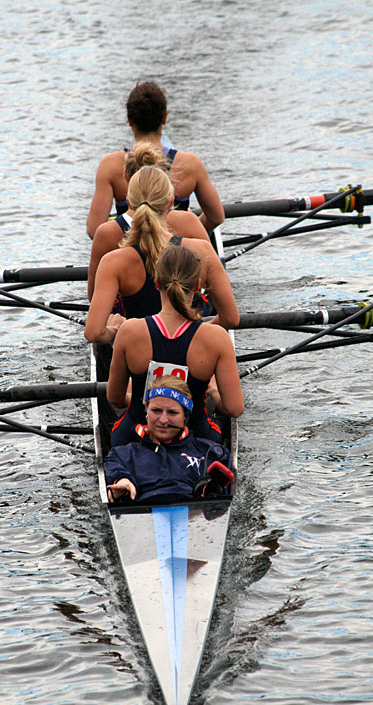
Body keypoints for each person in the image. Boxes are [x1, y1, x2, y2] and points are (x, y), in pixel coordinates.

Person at [107, 244, 244, 447]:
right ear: (197, 286)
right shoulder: (216, 337)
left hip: (134, 438)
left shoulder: (129, 331)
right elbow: (234, 408)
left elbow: (115, 398)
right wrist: (214, 391)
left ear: (157, 283)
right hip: (197, 441)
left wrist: (147, 401)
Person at [84, 166, 239, 345]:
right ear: (171, 201)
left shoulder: (113, 261)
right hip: (194, 353)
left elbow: (94, 333)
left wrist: (116, 329)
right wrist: (197, 332)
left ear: (129, 203)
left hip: (139, 353)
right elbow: (231, 319)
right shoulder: (201, 250)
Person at [86, 81, 225, 238]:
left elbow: (94, 230)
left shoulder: (110, 165)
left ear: (129, 119)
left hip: (129, 248)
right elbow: (216, 217)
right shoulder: (190, 164)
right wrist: (191, 229)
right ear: (164, 118)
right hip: (176, 251)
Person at [88, 141, 210, 299]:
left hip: (130, 313)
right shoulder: (189, 222)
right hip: (186, 310)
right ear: (170, 198)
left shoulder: (106, 233)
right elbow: (210, 284)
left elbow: (92, 297)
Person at [105, 375, 233, 504]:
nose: (163, 420)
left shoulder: (211, 453)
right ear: (146, 411)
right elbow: (117, 473)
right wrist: (123, 482)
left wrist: (212, 488)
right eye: (156, 411)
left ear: (185, 416)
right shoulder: (121, 455)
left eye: (172, 412)